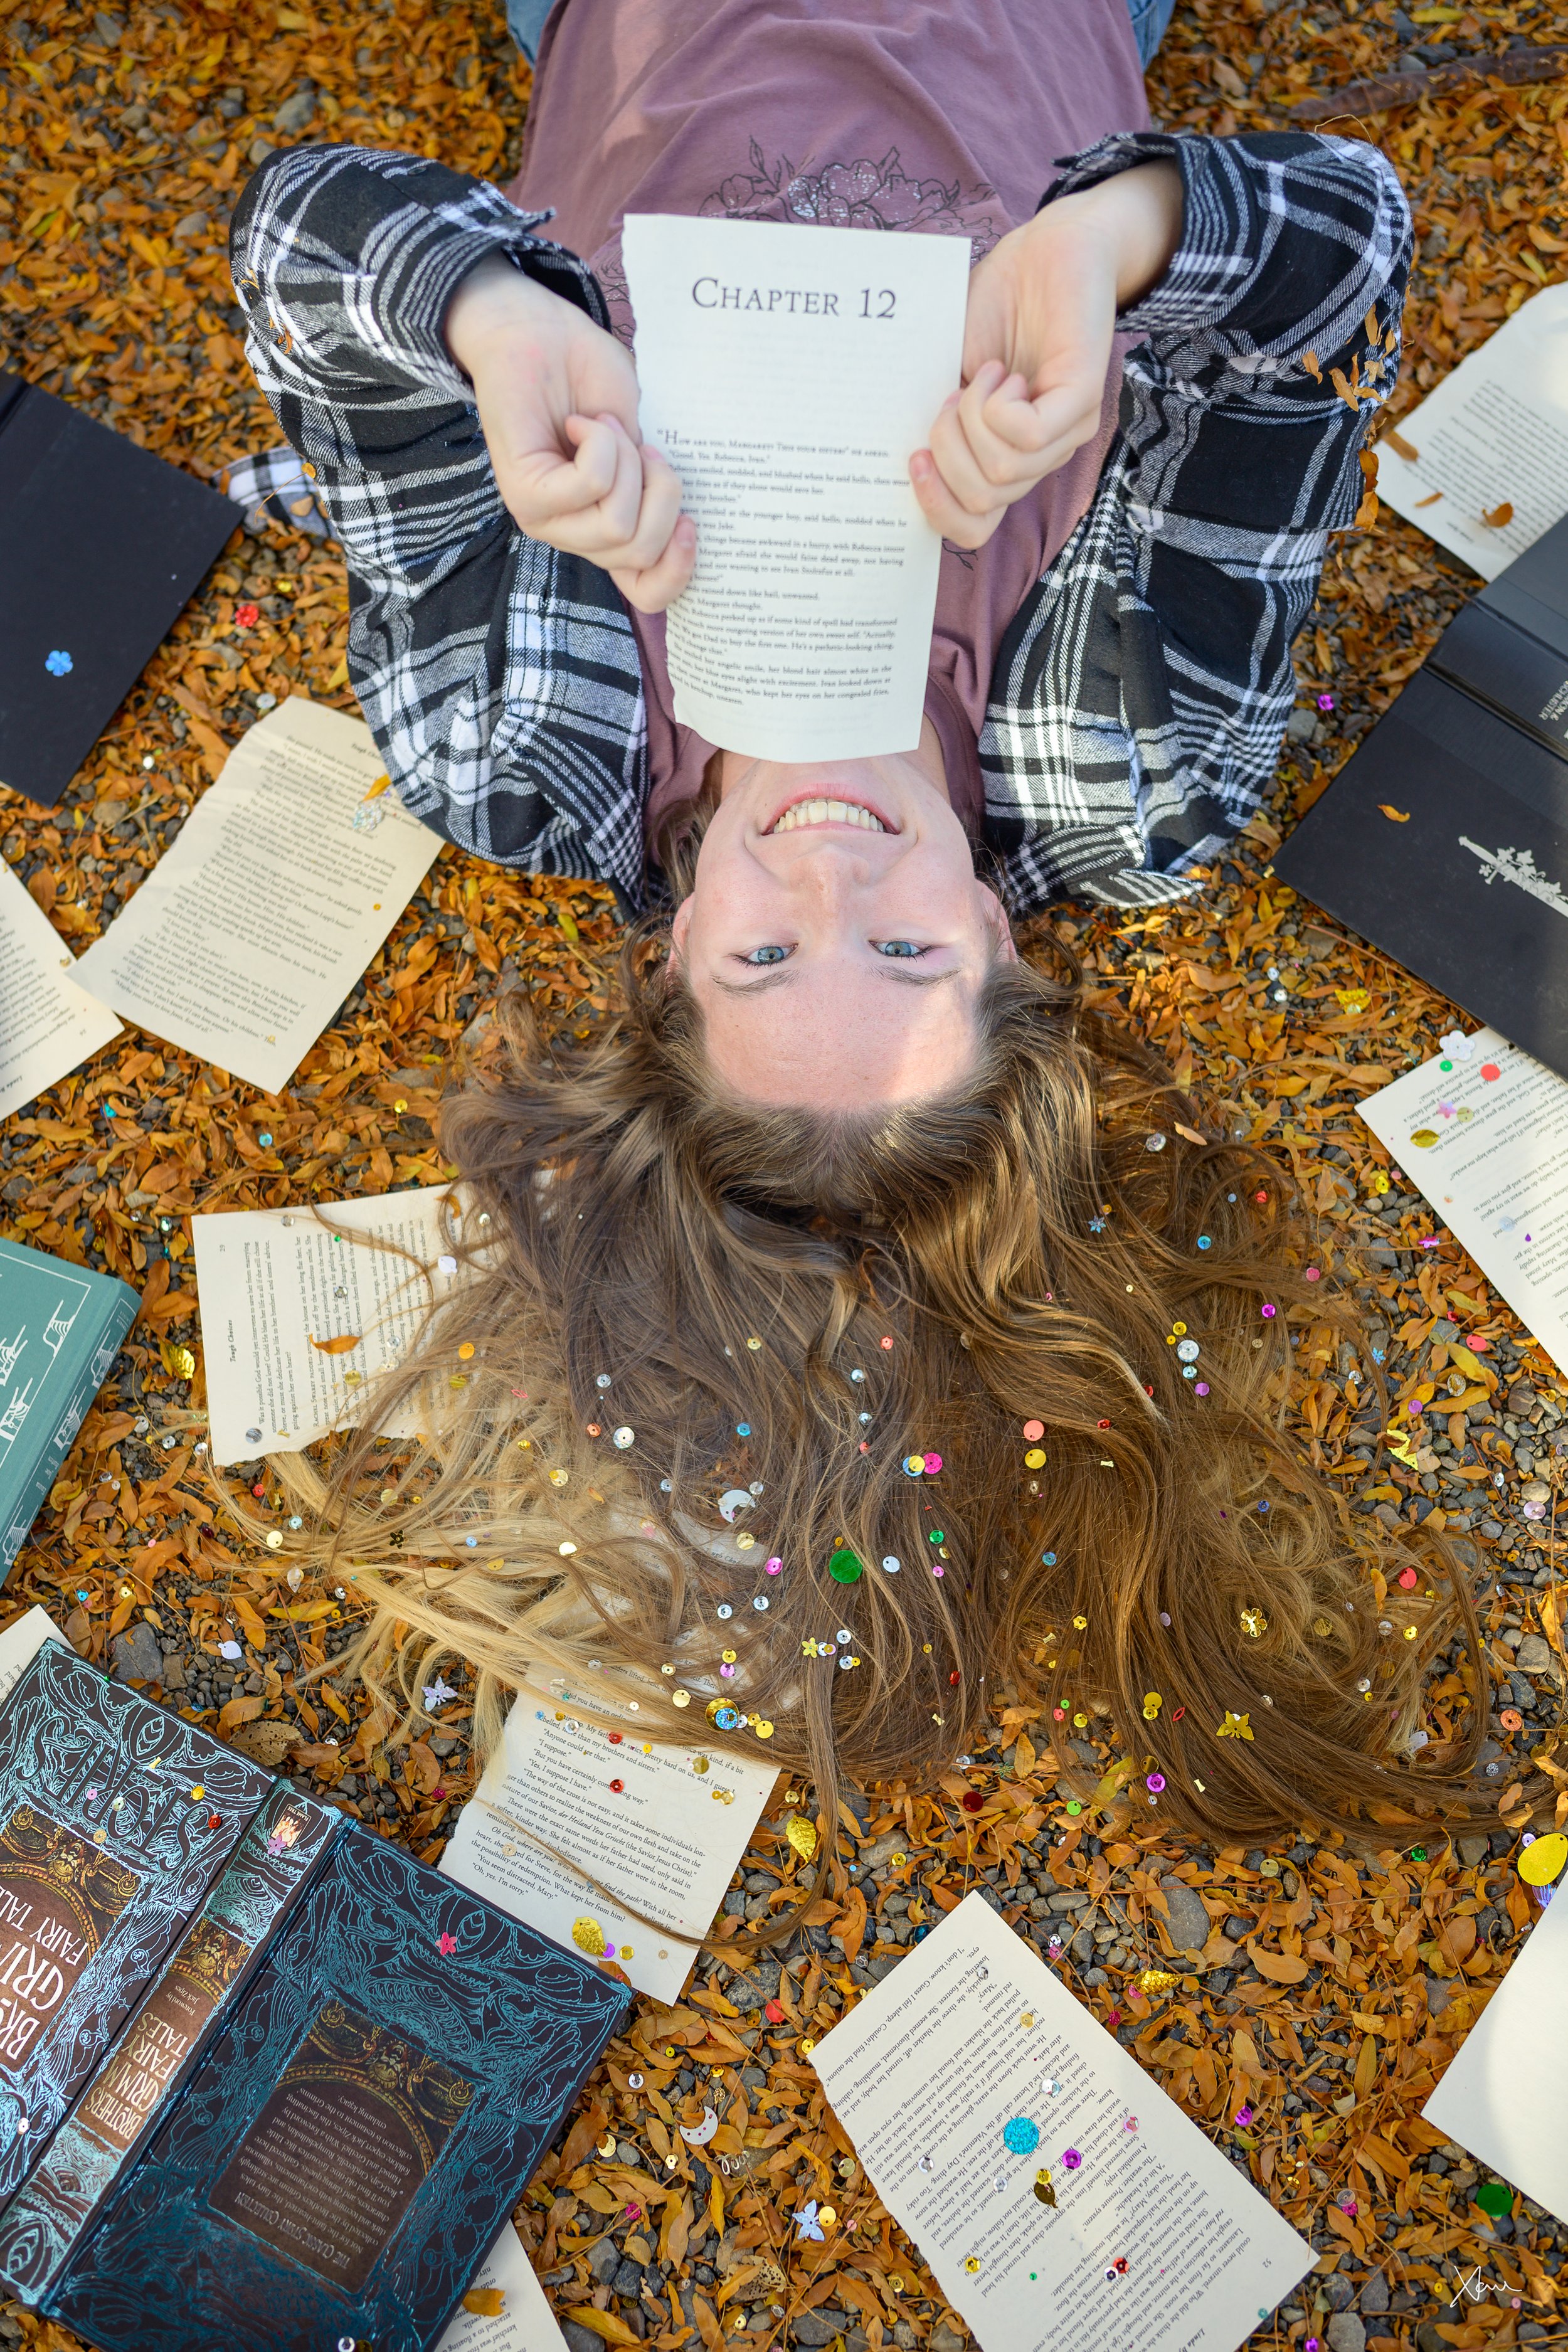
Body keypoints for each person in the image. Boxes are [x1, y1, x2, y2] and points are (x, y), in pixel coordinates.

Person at [231, 0, 1496, 1888]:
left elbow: (295, 229)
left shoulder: (510, 749)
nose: (833, 877)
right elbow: (1353, 247)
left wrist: (483, 326)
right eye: (906, 960)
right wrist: (1113, 241)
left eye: (763, 967)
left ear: (667, 970)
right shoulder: (1129, 781)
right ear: (1001, 940)